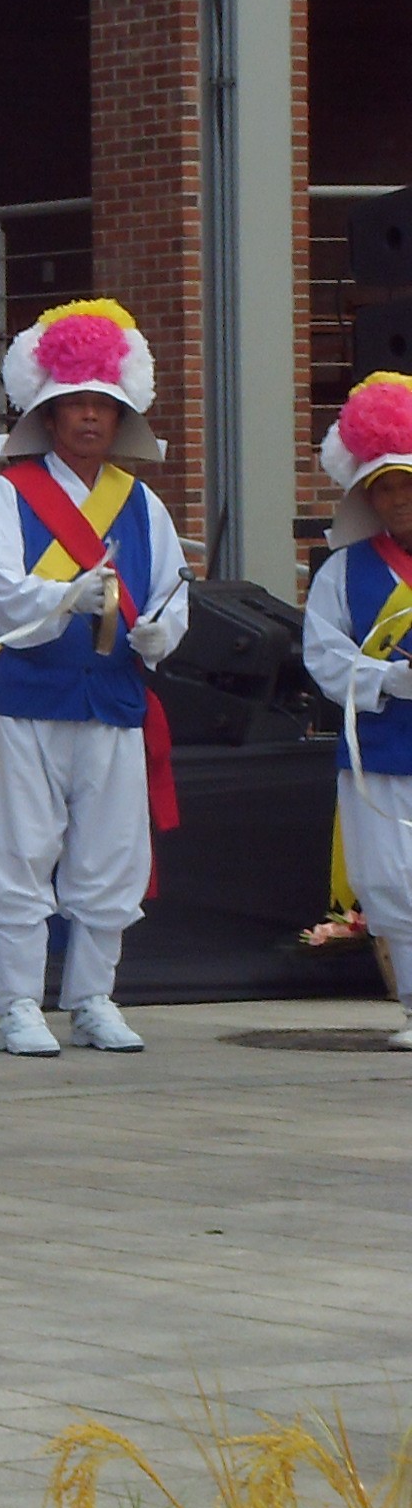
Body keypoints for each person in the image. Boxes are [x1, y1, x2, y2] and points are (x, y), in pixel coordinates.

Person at [0, 299, 186, 1057]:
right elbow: (2, 591)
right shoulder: (10, 494)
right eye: (74, 405)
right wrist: (64, 598)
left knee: (111, 853)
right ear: (48, 418)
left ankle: (93, 997)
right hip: (32, 696)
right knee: (21, 848)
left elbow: (177, 594)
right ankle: (18, 1001)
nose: (89, 418)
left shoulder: (144, 503)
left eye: (101, 406)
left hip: (113, 697)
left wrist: (156, 632)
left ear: (119, 418)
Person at [301, 373, 412, 1047]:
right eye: (386, 487)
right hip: (379, 751)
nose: (399, 499)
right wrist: (386, 681)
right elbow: (323, 656)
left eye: (407, 482)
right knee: (389, 882)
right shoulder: (342, 571)